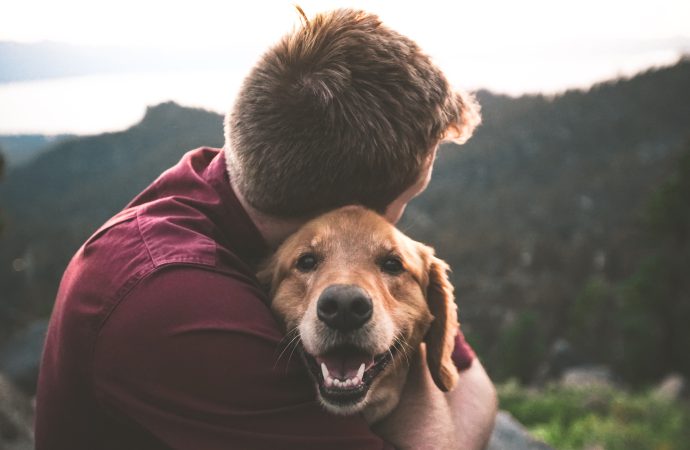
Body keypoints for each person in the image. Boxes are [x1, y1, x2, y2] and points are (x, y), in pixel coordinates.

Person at [35, 8, 496, 449]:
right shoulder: (177, 305)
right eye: (406, 199)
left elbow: (474, 382)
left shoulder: (230, 185)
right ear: (349, 211)